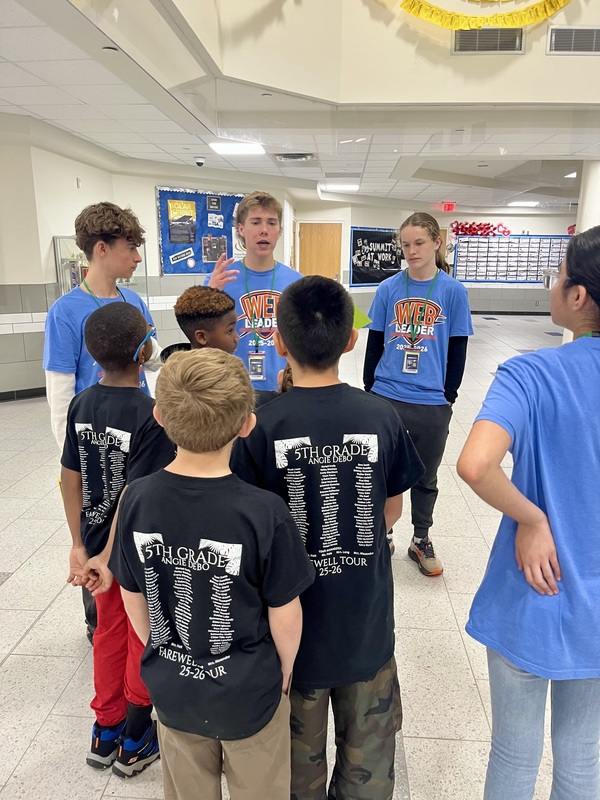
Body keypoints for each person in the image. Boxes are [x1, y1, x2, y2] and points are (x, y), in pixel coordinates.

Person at [232, 276, 424, 799]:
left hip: (289, 642)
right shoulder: (380, 415)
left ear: (278, 342)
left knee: (296, 777)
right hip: (366, 630)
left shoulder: (260, 426)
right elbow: (391, 509)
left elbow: (248, 532)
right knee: (370, 771)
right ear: (351, 341)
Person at [105, 348, 315, 800]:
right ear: (247, 424)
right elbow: (285, 611)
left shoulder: (136, 499)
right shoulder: (265, 512)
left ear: (160, 417)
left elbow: (132, 594)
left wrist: (162, 650)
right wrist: (285, 670)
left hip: (173, 690)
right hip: (249, 694)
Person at [457, 227, 600, 800]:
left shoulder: (531, 374)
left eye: (557, 275)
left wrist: (534, 519)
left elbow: (476, 464)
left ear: (578, 296)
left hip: (531, 594)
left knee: (515, 755)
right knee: (583, 758)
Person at [61, 303, 176, 777]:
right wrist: (109, 557)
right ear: (143, 350)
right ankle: (135, 734)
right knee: (143, 636)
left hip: (93, 546)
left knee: (108, 634)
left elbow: (70, 476)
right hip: (131, 553)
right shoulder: (152, 415)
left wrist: (79, 544)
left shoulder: (81, 404)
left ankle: (104, 730)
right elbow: (133, 494)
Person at [43, 201, 162, 641]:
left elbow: (150, 362)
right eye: (130, 248)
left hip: (139, 435)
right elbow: (60, 390)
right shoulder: (66, 311)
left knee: (136, 522)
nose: (137, 258)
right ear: (101, 248)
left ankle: (141, 616)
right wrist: (72, 456)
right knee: (97, 524)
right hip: (93, 442)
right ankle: (99, 621)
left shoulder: (135, 301)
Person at [363, 212, 473, 576]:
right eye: (406, 244)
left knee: (426, 477)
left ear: (437, 243)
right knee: (381, 472)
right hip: (387, 394)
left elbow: (458, 347)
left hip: (430, 400)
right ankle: (384, 533)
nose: (411, 251)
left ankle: (421, 538)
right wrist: (370, 388)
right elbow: (375, 341)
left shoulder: (453, 291)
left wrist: (449, 394)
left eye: (419, 243)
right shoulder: (388, 288)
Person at [223, 191, 301, 391]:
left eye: (272, 223)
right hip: (233, 390)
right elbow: (200, 338)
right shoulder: (221, 280)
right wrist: (209, 293)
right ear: (241, 228)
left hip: (283, 388)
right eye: (256, 222)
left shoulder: (297, 282)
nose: (264, 230)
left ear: (280, 230)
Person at [160, 286, 239, 362]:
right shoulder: (179, 371)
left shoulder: (230, 368)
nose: (236, 337)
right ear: (202, 337)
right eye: (230, 330)